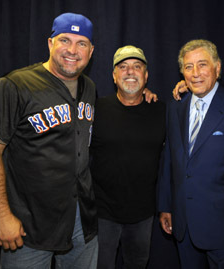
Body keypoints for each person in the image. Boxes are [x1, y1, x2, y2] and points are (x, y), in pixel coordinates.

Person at [0, 13, 98, 268]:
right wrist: (1, 216)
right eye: (65, 40)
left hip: (80, 220)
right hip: (28, 225)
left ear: (91, 50)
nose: (73, 50)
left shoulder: (90, 88)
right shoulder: (14, 85)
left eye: (82, 43)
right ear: (50, 43)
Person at [157, 39, 224, 269]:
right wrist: (165, 205)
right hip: (182, 223)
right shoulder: (175, 106)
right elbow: (169, 160)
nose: (195, 73)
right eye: (188, 66)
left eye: (202, 64)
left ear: (218, 68)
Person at [90, 45, 165, 269]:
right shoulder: (95, 109)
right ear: (114, 76)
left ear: (146, 75)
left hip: (143, 215)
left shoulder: (162, 111)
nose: (130, 72)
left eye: (137, 67)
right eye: (123, 67)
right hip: (102, 214)